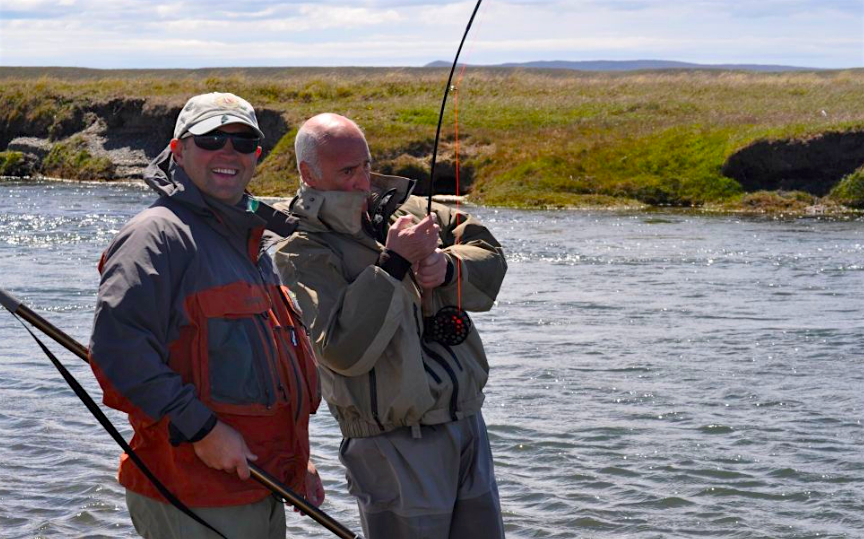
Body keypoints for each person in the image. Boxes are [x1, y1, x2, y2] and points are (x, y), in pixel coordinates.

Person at [89, 92, 323, 539]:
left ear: (256, 155)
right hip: (191, 495)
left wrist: (297, 458)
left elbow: (265, 367)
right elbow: (118, 355)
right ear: (178, 150)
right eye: (211, 139)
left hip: (260, 486)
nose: (227, 153)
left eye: (241, 142)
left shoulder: (249, 239)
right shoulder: (154, 236)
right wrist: (202, 430)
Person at [273, 113, 507, 538]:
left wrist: (448, 267)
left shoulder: (408, 209)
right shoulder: (300, 249)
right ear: (308, 173)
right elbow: (342, 350)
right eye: (348, 171)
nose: (363, 181)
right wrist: (394, 263)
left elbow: (489, 252)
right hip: (392, 443)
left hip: (467, 424)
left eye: (366, 165)